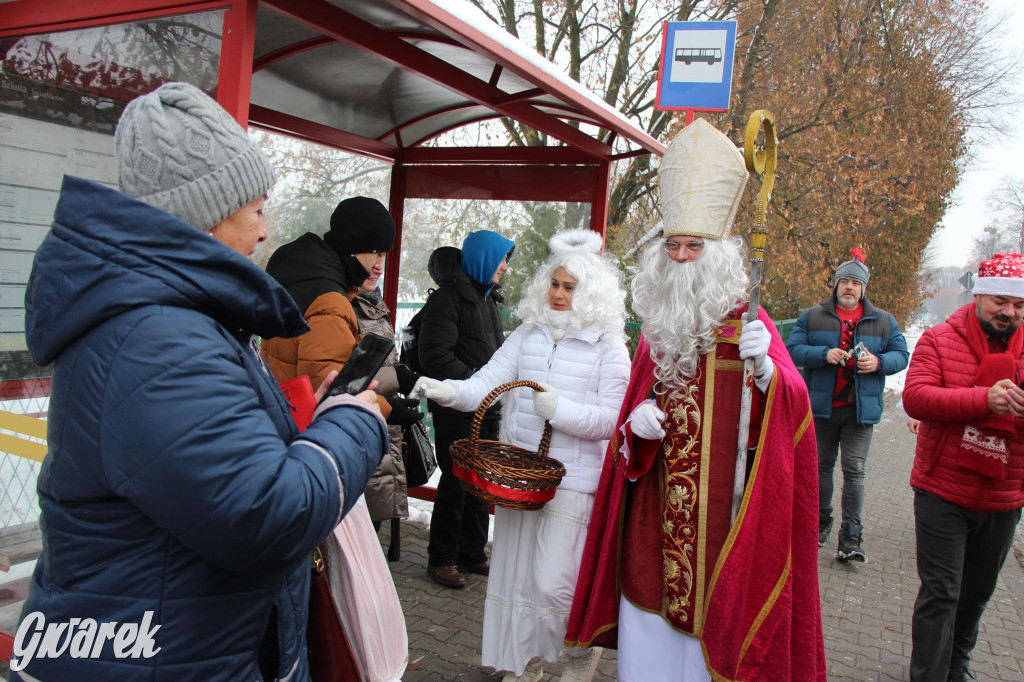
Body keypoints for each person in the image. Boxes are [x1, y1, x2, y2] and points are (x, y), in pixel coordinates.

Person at [14, 82, 387, 681]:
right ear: (205, 216)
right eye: (256, 212)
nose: (266, 233)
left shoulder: (170, 320)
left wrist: (295, 422)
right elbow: (265, 516)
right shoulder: (158, 339)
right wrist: (354, 421)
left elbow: (205, 469)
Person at [564, 119, 826, 681]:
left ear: (717, 254)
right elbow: (628, 433)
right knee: (651, 640)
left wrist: (768, 375)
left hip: (727, 521)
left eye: (693, 247)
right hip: (655, 521)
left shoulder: (750, 326)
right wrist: (635, 427)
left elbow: (794, 415)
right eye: (674, 245)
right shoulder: (658, 328)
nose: (681, 257)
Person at [415, 229, 630, 682]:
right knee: (515, 579)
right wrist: (445, 390)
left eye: (569, 287)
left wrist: (563, 412)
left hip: (572, 482)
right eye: (554, 283)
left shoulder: (610, 346)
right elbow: (484, 384)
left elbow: (613, 420)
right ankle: (524, 663)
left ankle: (575, 657)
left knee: (555, 584)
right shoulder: (527, 333)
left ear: (589, 293)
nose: (557, 294)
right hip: (519, 478)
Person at [260, 196, 421, 526]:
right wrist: (391, 409)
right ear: (350, 247)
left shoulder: (303, 277)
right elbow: (331, 387)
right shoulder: (331, 303)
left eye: (384, 255)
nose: (380, 265)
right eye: (374, 252)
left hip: (280, 428)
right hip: (312, 444)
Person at [903, 252, 1024, 682]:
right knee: (941, 592)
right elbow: (916, 398)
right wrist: (983, 399)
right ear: (978, 297)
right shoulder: (939, 339)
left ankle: (958, 666)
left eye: (1019, 306)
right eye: (999, 302)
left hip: (1004, 495)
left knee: (976, 595)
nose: (1009, 313)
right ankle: (928, 675)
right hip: (942, 490)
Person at [786, 250, 909, 561]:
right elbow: (792, 349)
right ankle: (820, 522)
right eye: (845, 281)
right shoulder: (812, 316)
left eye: (856, 282)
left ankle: (851, 536)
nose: (849, 287)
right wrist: (823, 354)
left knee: (855, 471)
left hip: (859, 412)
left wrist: (878, 362)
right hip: (821, 409)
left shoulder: (883, 321)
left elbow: (902, 355)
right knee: (821, 468)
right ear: (836, 285)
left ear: (864, 288)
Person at [417, 229, 515, 589]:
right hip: (457, 407)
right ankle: (441, 558)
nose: (505, 266)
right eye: (501, 258)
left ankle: (471, 553)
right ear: (483, 259)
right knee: (457, 482)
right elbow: (434, 356)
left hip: (487, 408)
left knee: (480, 482)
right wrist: (472, 388)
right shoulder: (448, 300)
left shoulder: (487, 299)